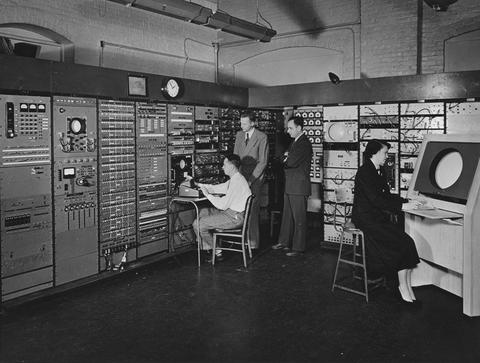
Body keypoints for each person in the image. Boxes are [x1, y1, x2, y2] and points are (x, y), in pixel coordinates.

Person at [352, 139, 421, 305]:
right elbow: (376, 200)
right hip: (366, 219)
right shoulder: (365, 172)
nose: (387, 156)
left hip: (376, 217)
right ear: (374, 153)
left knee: (406, 243)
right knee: (405, 242)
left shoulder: (377, 170)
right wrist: (403, 206)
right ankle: (402, 287)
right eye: (384, 152)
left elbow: (386, 196)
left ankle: (406, 287)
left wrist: (407, 200)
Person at [193, 154, 251, 262]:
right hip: (233, 214)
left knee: (198, 224)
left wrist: (208, 195)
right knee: (203, 212)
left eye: (224, 164)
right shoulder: (236, 179)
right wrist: (198, 185)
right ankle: (209, 248)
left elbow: (222, 205)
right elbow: (217, 188)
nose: (222, 167)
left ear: (231, 166)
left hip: (234, 217)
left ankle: (217, 252)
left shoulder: (237, 182)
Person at [272, 116, 313, 256]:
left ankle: (298, 248)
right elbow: (285, 158)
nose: (288, 131)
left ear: (299, 128)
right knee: (287, 216)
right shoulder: (295, 142)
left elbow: (290, 162)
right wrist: (286, 158)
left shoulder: (304, 144)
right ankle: (284, 242)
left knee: (299, 218)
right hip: (291, 184)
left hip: (299, 186)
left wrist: (285, 158)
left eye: (290, 128)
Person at [233, 111, 269, 250]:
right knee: (239, 208)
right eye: (240, 123)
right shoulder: (239, 135)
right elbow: (235, 158)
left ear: (253, 123)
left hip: (255, 178)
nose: (241, 126)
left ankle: (252, 242)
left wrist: (251, 180)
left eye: (244, 123)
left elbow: (263, 162)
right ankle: (240, 239)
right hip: (241, 176)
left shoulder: (261, 137)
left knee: (252, 209)